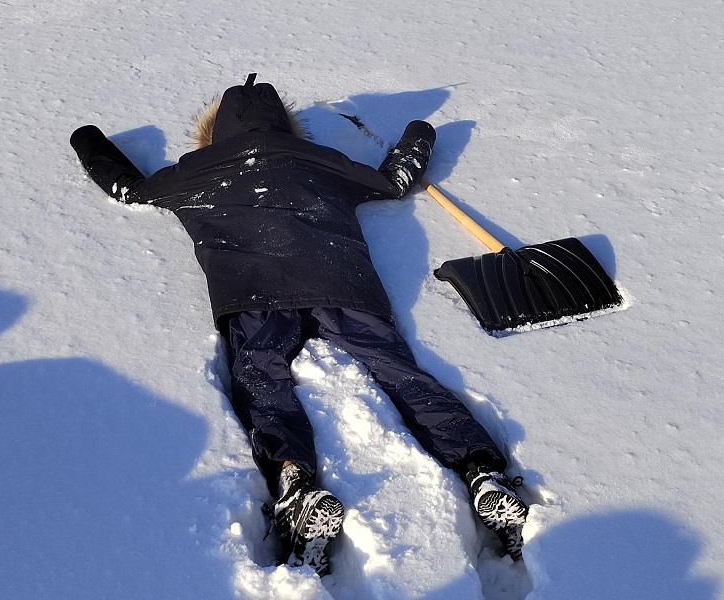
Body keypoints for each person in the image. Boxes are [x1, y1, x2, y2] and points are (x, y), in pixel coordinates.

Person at [70, 74, 527, 574]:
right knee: (400, 373)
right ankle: (482, 474)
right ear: (287, 124)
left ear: (214, 132)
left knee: (261, 381)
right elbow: (395, 182)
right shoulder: (321, 162)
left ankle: (294, 482)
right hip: (344, 288)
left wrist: (87, 139)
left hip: (254, 297)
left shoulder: (194, 173)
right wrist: (420, 134)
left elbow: (127, 189)